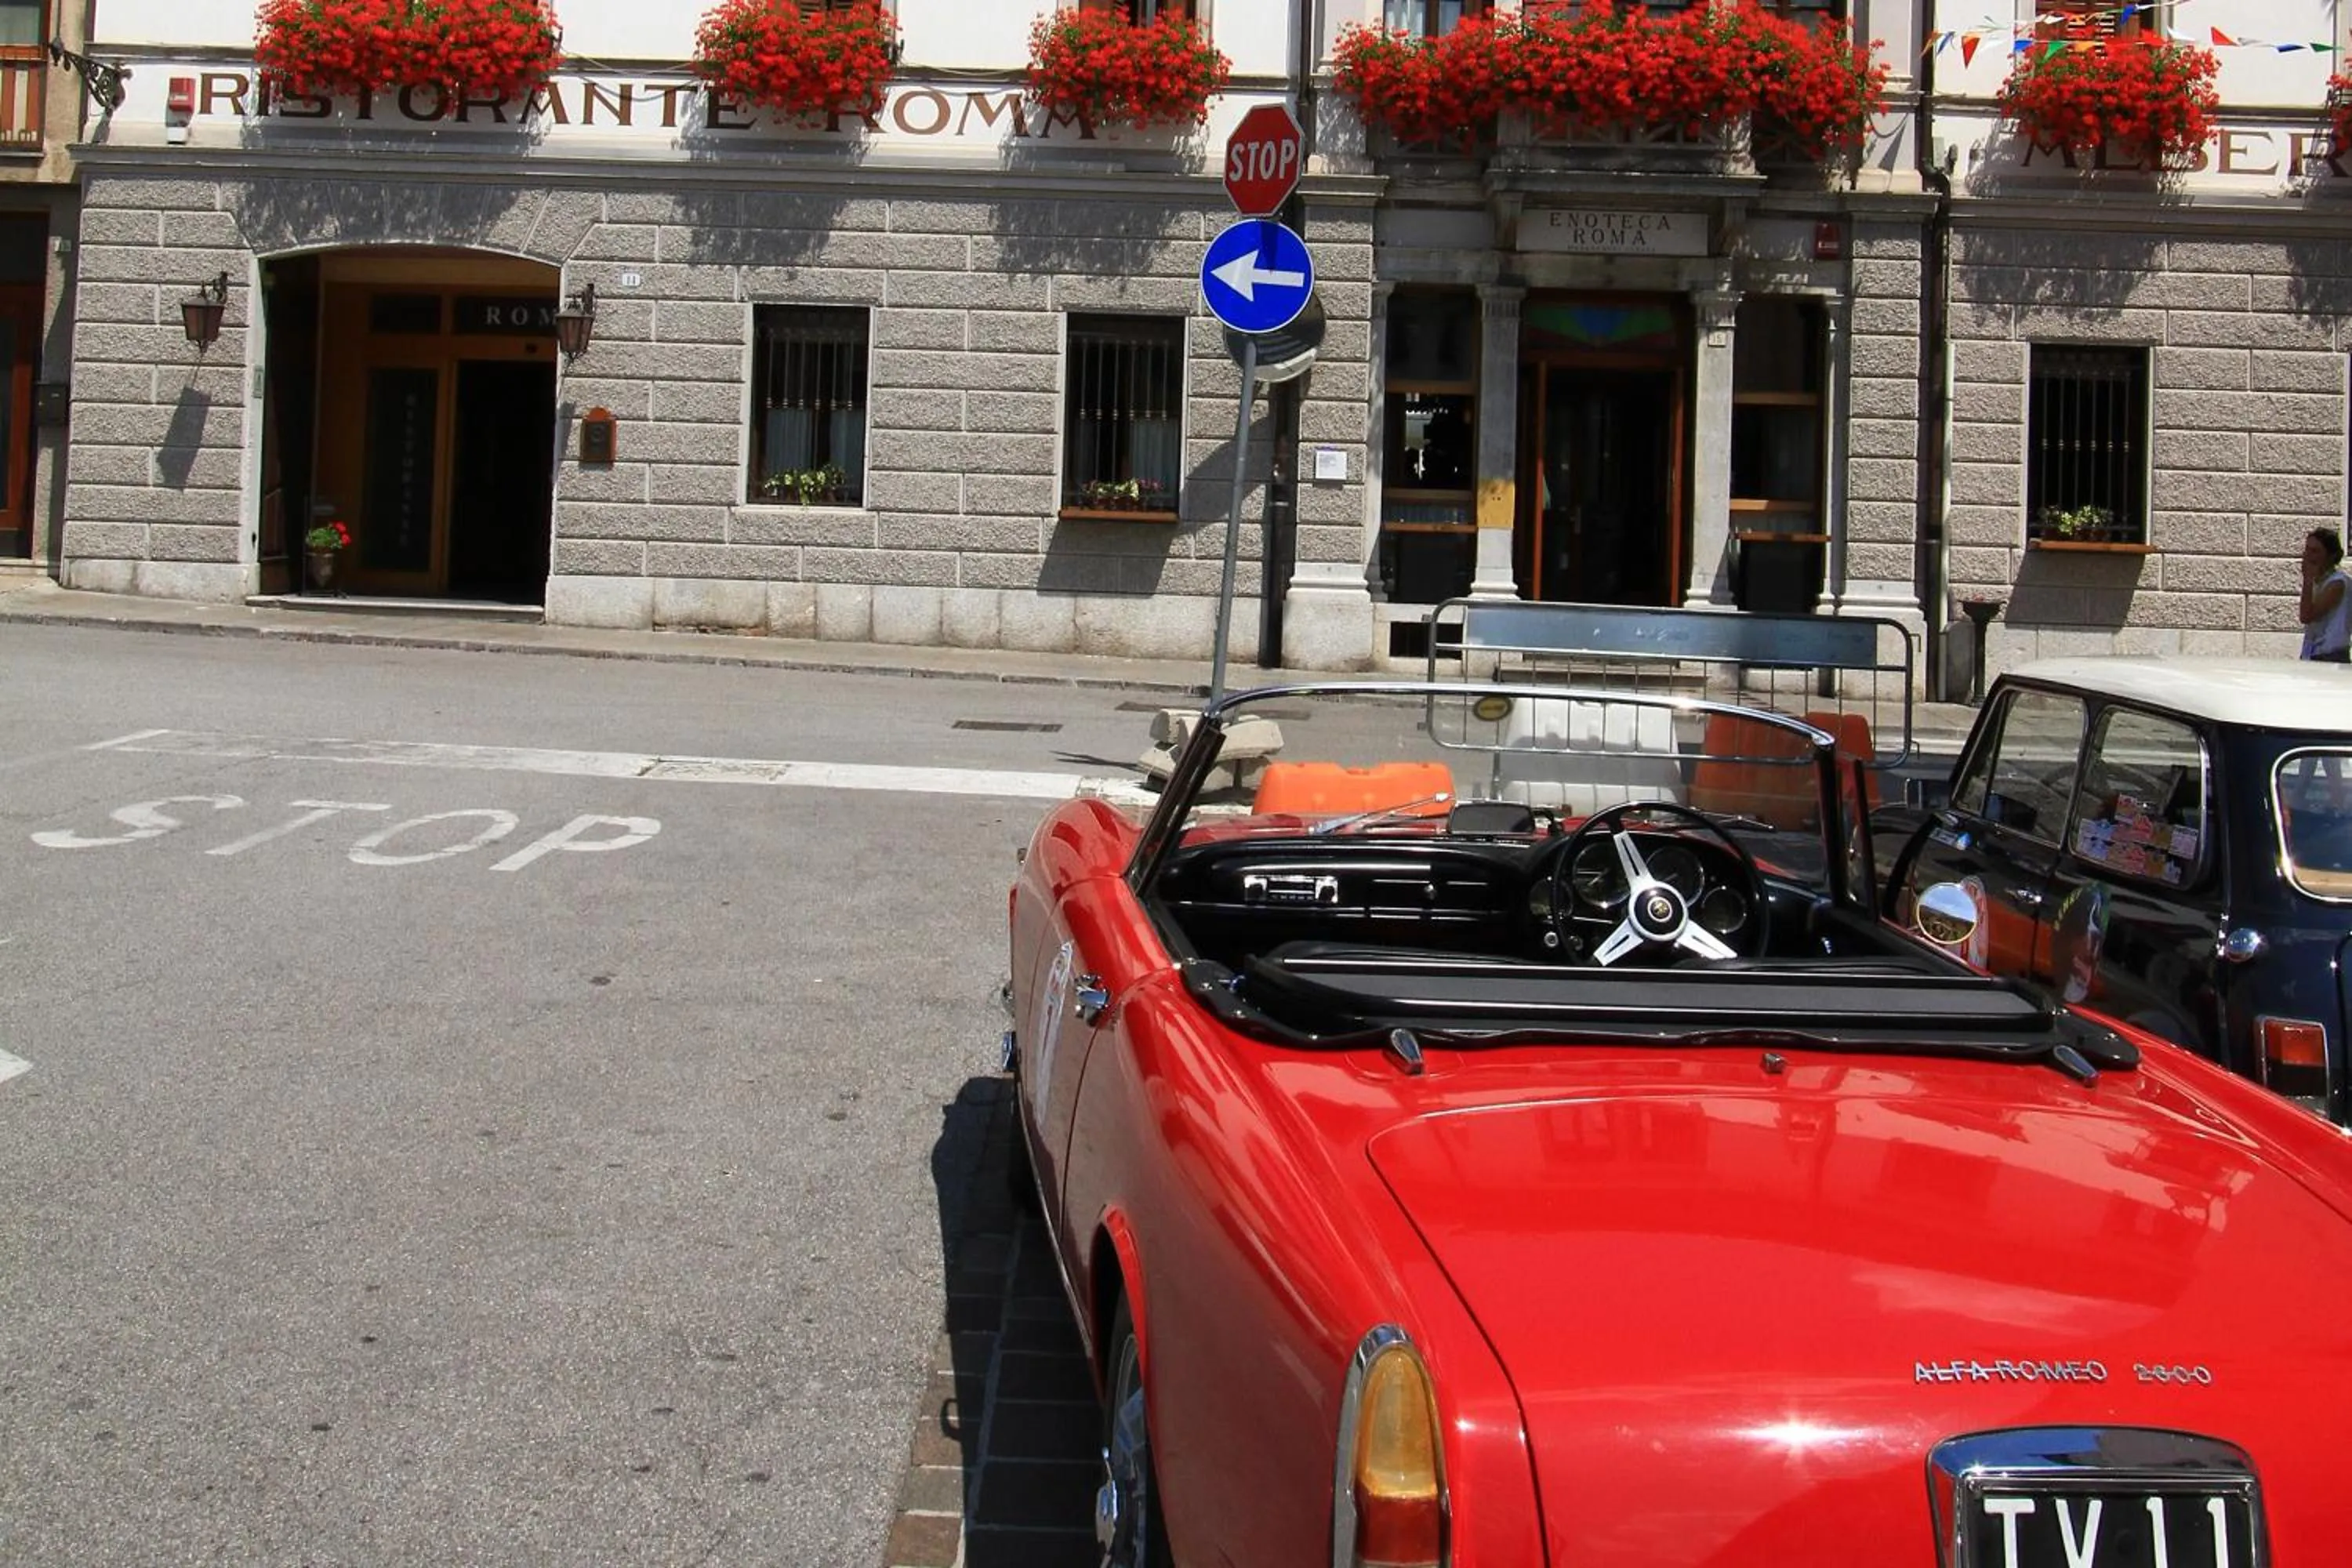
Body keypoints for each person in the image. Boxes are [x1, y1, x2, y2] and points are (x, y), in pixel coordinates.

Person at [2300, 527, 2350, 662]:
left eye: (2315, 551)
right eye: (2307, 550)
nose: (2309, 556)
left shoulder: (2337, 583)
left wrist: (2308, 579)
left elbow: (2306, 616)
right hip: (2314, 651)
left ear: (2331, 555)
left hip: (2331, 654)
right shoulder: (2319, 581)